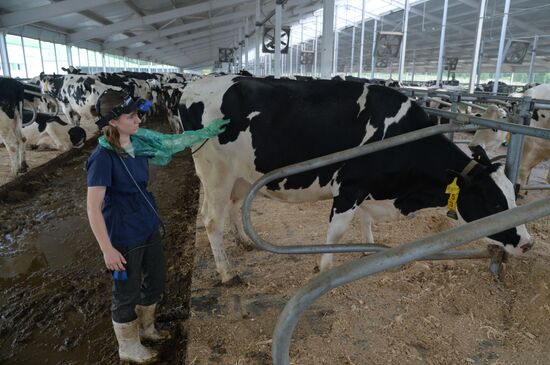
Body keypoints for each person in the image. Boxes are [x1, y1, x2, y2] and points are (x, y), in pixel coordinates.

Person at [86, 89, 227, 363]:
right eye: (132, 116)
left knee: (156, 280)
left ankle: (147, 328)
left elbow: (173, 142)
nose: (139, 119)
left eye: (138, 113)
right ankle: (127, 346)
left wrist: (205, 132)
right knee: (125, 291)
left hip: (147, 224)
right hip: (122, 236)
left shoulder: (140, 142)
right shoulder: (102, 158)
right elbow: (93, 208)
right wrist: (107, 249)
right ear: (113, 121)